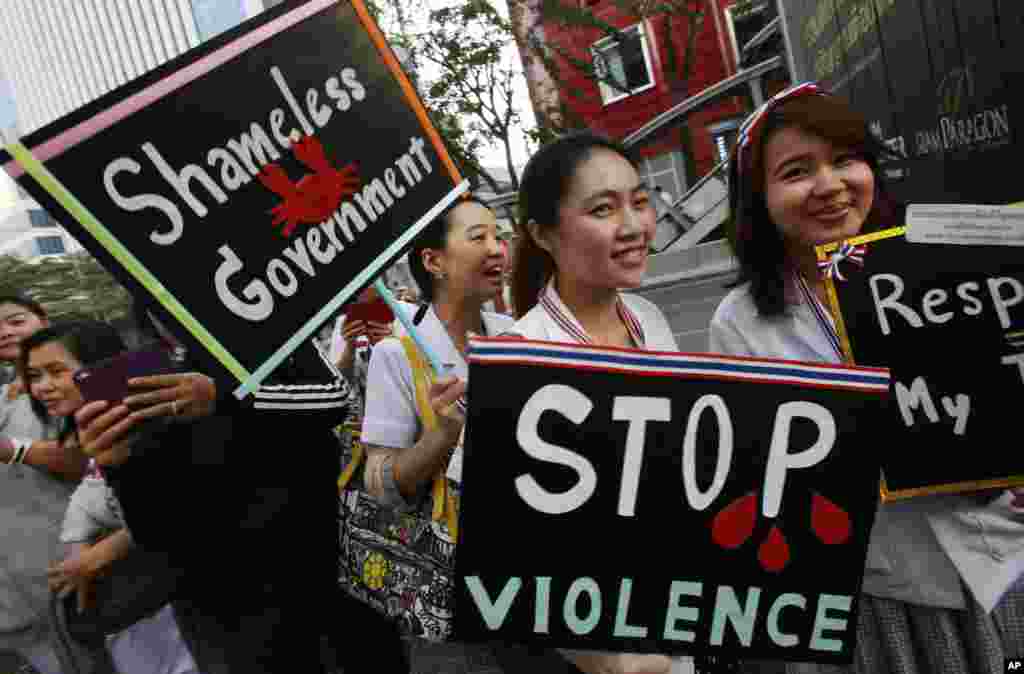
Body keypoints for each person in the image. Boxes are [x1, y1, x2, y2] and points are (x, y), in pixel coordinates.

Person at [707, 82, 1024, 673]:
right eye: (797, 171)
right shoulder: (742, 323)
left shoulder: (947, 259)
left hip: (1005, 555)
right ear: (759, 196)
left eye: (845, 160)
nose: (829, 186)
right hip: (891, 587)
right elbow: (768, 482)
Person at [71, 297, 410, 674]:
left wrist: (222, 396)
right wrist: (120, 468)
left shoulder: (267, 332)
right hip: (237, 611)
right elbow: (158, 534)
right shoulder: (147, 383)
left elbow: (332, 399)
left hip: (329, 563)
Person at [502, 131, 685, 674]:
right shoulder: (519, 356)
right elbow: (507, 547)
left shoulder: (651, 321)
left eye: (640, 200)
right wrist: (599, 658)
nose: (633, 227)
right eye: (603, 208)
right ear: (543, 234)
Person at [359, 196, 515, 671]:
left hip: (531, 578)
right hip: (453, 597)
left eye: (498, 236)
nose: (497, 250)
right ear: (433, 261)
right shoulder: (396, 355)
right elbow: (379, 483)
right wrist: (441, 437)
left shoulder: (518, 335)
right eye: (478, 238)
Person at [18, 320, 197, 674]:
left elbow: (188, 507)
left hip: (183, 615)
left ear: (101, 367)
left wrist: (101, 553)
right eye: (34, 376)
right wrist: (81, 550)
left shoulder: (156, 423)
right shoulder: (94, 433)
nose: (42, 387)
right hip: (137, 622)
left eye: (57, 372)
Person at [0, 295, 86, 674]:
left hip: (84, 573)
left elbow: (87, 461)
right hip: (19, 603)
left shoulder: (82, 383)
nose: (4, 332)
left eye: (15, 320)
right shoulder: (4, 398)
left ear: (43, 318)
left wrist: (11, 450)